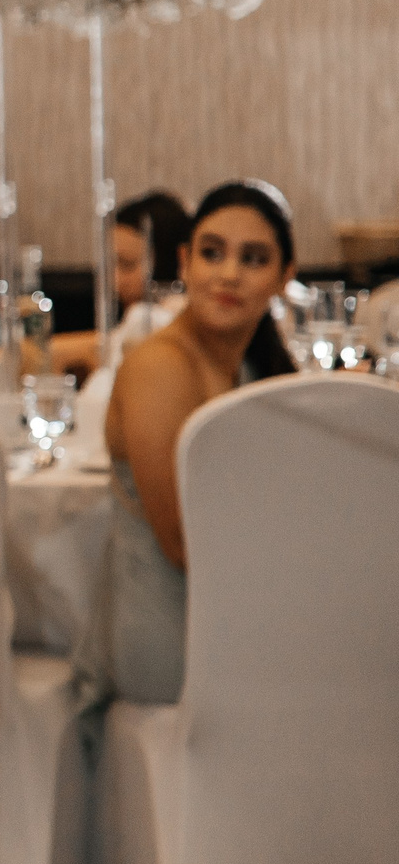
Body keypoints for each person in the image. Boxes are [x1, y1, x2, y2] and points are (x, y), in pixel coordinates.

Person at [84, 181, 300, 706]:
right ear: (184, 262)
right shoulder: (160, 367)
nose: (228, 274)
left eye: (253, 258)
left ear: (284, 278)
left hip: (227, 615)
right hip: (166, 633)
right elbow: (183, 543)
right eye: (212, 253)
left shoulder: (255, 365)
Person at [50, 189, 194, 376]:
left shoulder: (162, 317)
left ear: (170, 265)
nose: (114, 278)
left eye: (127, 265)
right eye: (109, 264)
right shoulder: (121, 318)